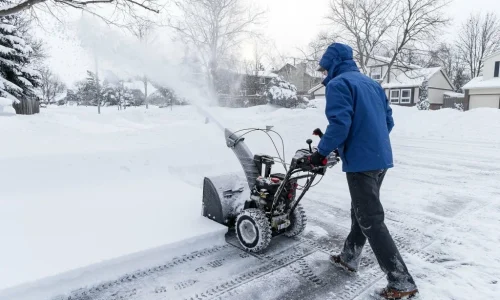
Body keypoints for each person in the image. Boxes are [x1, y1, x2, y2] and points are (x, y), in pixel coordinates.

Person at [308, 43, 419, 299]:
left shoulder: (339, 85)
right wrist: (370, 143)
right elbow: (388, 120)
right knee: (362, 212)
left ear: (333, 64)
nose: (324, 74)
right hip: (380, 159)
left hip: (362, 164)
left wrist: (320, 153)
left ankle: (401, 282)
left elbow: (339, 124)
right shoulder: (372, 84)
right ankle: (349, 257)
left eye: (325, 69)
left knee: (371, 219)